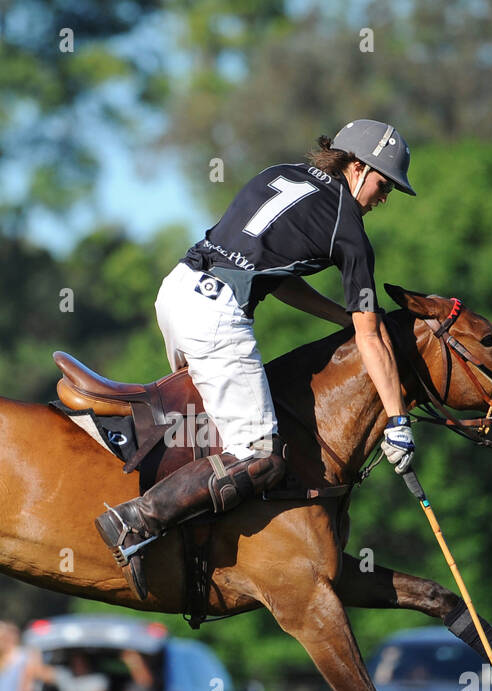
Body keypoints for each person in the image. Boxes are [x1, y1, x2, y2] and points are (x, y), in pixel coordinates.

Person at [96, 119, 419, 599]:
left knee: (205, 434)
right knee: (260, 456)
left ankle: (188, 550)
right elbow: (372, 339)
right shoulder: (348, 229)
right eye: (383, 182)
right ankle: (135, 520)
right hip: (217, 315)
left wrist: (341, 316)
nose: (383, 195)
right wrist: (396, 421)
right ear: (357, 167)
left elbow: (278, 277)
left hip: (178, 289)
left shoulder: (281, 173)